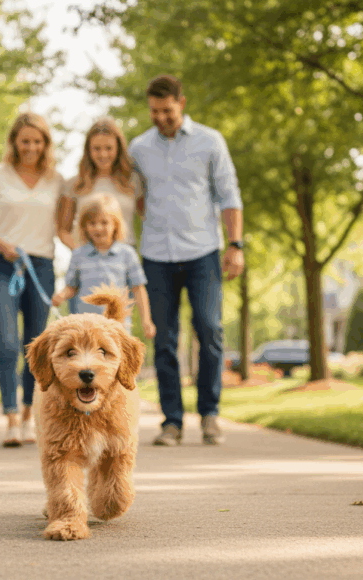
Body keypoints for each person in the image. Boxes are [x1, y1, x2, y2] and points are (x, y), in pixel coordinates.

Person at [129, 74, 244, 447]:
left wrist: (235, 245)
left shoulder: (210, 141)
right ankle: (172, 421)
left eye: (167, 111)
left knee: (210, 330)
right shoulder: (139, 148)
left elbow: (229, 195)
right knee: (163, 339)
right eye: (154, 111)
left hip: (202, 253)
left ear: (182, 102)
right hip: (156, 256)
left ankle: (209, 415)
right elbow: (134, 196)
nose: (160, 117)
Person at [0, 112, 65, 447]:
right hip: (3, 264)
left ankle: (30, 417)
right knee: (9, 342)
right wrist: (3, 245)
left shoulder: (56, 179)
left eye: (37, 141)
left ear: (45, 144)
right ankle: (11, 418)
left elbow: (64, 226)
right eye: (25, 140)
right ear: (14, 141)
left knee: (36, 347)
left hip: (41, 265)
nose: (30, 147)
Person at [52, 194, 156, 339]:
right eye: (92, 223)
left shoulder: (127, 254)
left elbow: (138, 289)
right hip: (86, 325)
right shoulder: (78, 255)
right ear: (85, 226)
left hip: (118, 325)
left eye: (104, 222)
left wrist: (146, 320)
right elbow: (71, 286)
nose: (98, 228)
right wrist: (61, 296)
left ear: (115, 225)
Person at [56, 117, 142, 256]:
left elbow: (147, 220)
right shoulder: (75, 184)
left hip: (124, 260)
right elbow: (63, 231)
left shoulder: (132, 182)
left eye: (109, 148)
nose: (103, 154)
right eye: (96, 149)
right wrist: (82, 253)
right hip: (88, 262)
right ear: (88, 150)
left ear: (118, 149)